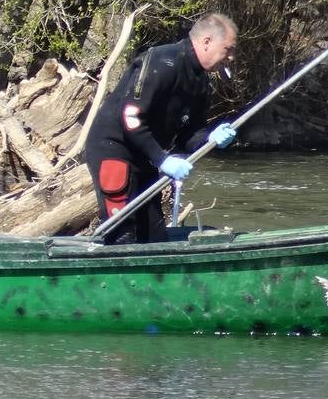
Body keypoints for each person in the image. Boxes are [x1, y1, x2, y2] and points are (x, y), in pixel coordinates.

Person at [85, 13, 240, 244]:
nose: (231, 57)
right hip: (114, 149)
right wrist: (162, 160)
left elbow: (189, 137)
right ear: (207, 41)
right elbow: (131, 117)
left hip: (145, 154)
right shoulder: (163, 61)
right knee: (122, 232)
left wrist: (211, 139)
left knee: (153, 234)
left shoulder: (201, 82)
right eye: (227, 49)